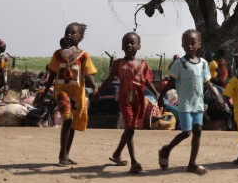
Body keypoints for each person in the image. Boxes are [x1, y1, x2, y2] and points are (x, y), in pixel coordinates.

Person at [157, 29, 228, 175]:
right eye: (186, 43)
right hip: (185, 104)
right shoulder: (179, 63)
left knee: (198, 131)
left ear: (199, 44)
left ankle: (192, 164)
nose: (189, 46)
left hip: (198, 104)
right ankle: (166, 149)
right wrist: (160, 97)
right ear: (182, 45)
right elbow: (171, 83)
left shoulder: (203, 63)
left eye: (193, 43)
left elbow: (208, 83)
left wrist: (219, 98)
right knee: (186, 133)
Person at [92, 32, 159, 173]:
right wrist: (98, 93)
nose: (129, 45)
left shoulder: (143, 64)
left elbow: (147, 81)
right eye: (126, 43)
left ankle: (117, 154)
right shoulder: (118, 64)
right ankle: (134, 162)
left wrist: (157, 93)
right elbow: (109, 80)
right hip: (125, 99)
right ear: (122, 46)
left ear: (138, 46)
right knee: (129, 128)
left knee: (131, 129)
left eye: (132, 43)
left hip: (139, 100)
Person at [40, 23, 98, 166]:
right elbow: (53, 74)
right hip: (62, 91)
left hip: (77, 93)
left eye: (73, 32)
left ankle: (66, 153)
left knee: (72, 124)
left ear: (81, 37)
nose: (69, 35)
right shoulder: (58, 55)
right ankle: (62, 155)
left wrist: (95, 87)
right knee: (66, 119)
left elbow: (87, 74)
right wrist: (45, 92)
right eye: (67, 32)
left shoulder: (84, 56)